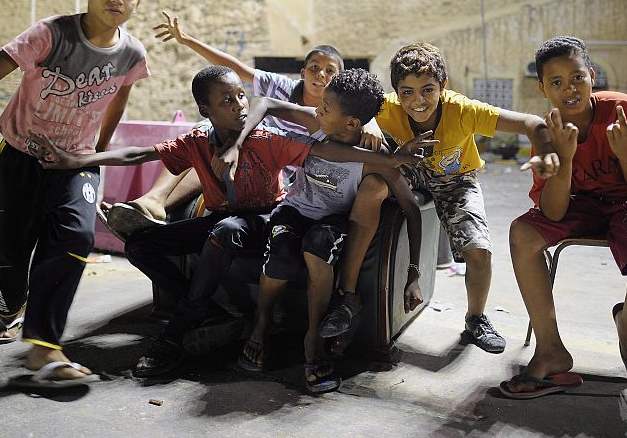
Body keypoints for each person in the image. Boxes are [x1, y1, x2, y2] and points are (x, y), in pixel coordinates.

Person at [29, 66, 423, 378]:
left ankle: (182, 328)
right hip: (226, 217)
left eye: (239, 96)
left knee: (229, 231)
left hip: (260, 219)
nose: (239, 105)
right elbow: (138, 154)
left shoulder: (268, 139)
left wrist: (388, 158)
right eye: (227, 100)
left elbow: (325, 150)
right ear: (206, 111)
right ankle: (211, 315)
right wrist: (75, 161)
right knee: (141, 245)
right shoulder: (198, 140)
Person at [0, 0, 150, 386]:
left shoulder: (132, 52)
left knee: (76, 234)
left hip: (73, 162)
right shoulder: (52, 34)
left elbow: (118, 95)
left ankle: (45, 347)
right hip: (20, 155)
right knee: (11, 253)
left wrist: (95, 153)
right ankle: (10, 309)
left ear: (138, 2)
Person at [321, 42, 560, 355]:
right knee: (373, 186)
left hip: (456, 180)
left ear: (443, 86)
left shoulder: (463, 110)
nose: (417, 101)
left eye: (427, 90)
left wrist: (545, 151)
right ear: (396, 92)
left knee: (478, 251)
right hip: (409, 168)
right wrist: (371, 124)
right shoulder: (388, 107)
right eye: (407, 92)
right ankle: (347, 297)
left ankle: (476, 319)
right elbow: (364, 111)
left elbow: (533, 123)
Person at [220, 69, 427, 393]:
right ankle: (261, 324)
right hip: (293, 210)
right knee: (281, 258)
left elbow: (412, 209)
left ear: (351, 123)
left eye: (326, 108)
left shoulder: (376, 156)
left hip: (331, 221)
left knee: (317, 250)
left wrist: (414, 272)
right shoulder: (317, 124)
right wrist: (237, 142)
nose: (317, 110)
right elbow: (264, 103)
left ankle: (313, 340)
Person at [499, 36, 627, 399]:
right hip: (579, 205)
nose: (569, 89)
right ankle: (551, 350)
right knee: (522, 232)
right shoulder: (545, 132)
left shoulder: (622, 110)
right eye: (556, 82)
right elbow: (553, 211)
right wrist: (564, 159)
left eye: (577, 77)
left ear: (592, 76)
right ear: (543, 88)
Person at [102, 11, 383, 236]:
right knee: (203, 137)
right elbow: (235, 68)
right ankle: (152, 202)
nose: (321, 75)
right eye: (314, 68)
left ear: (340, 79)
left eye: (330, 71)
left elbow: (363, 110)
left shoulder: (343, 112)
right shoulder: (282, 87)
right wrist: (187, 40)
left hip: (291, 170)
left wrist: (372, 123)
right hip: (260, 152)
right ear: (302, 72)